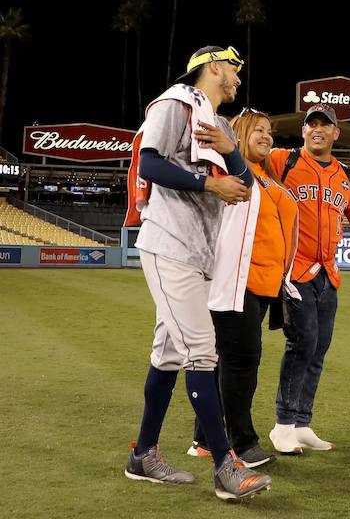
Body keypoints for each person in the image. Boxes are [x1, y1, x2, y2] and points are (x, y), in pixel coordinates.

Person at [123, 45, 272, 500]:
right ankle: (226, 467)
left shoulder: (222, 125)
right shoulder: (175, 102)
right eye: (233, 69)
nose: (238, 79)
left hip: (198, 252)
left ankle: (143, 454)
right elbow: (149, 162)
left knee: (168, 355)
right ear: (212, 67)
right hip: (169, 243)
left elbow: (247, 188)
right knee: (203, 352)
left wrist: (233, 154)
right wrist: (209, 181)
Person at [267, 102, 350, 453]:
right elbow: (246, 155)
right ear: (303, 131)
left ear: (336, 132)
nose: (317, 129)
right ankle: (283, 424)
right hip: (293, 270)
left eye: (325, 125)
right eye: (311, 124)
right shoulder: (282, 160)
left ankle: (302, 422)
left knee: (318, 348)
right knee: (301, 343)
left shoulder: (347, 176)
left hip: (328, 274)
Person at [187, 109, 299, 468]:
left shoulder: (267, 176)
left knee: (226, 361)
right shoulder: (227, 171)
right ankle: (242, 442)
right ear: (239, 134)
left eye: (270, 132)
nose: (267, 137)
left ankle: (204, 439)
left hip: (265, 284)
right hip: (236, 282)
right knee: (242, 364)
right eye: (259, 131)